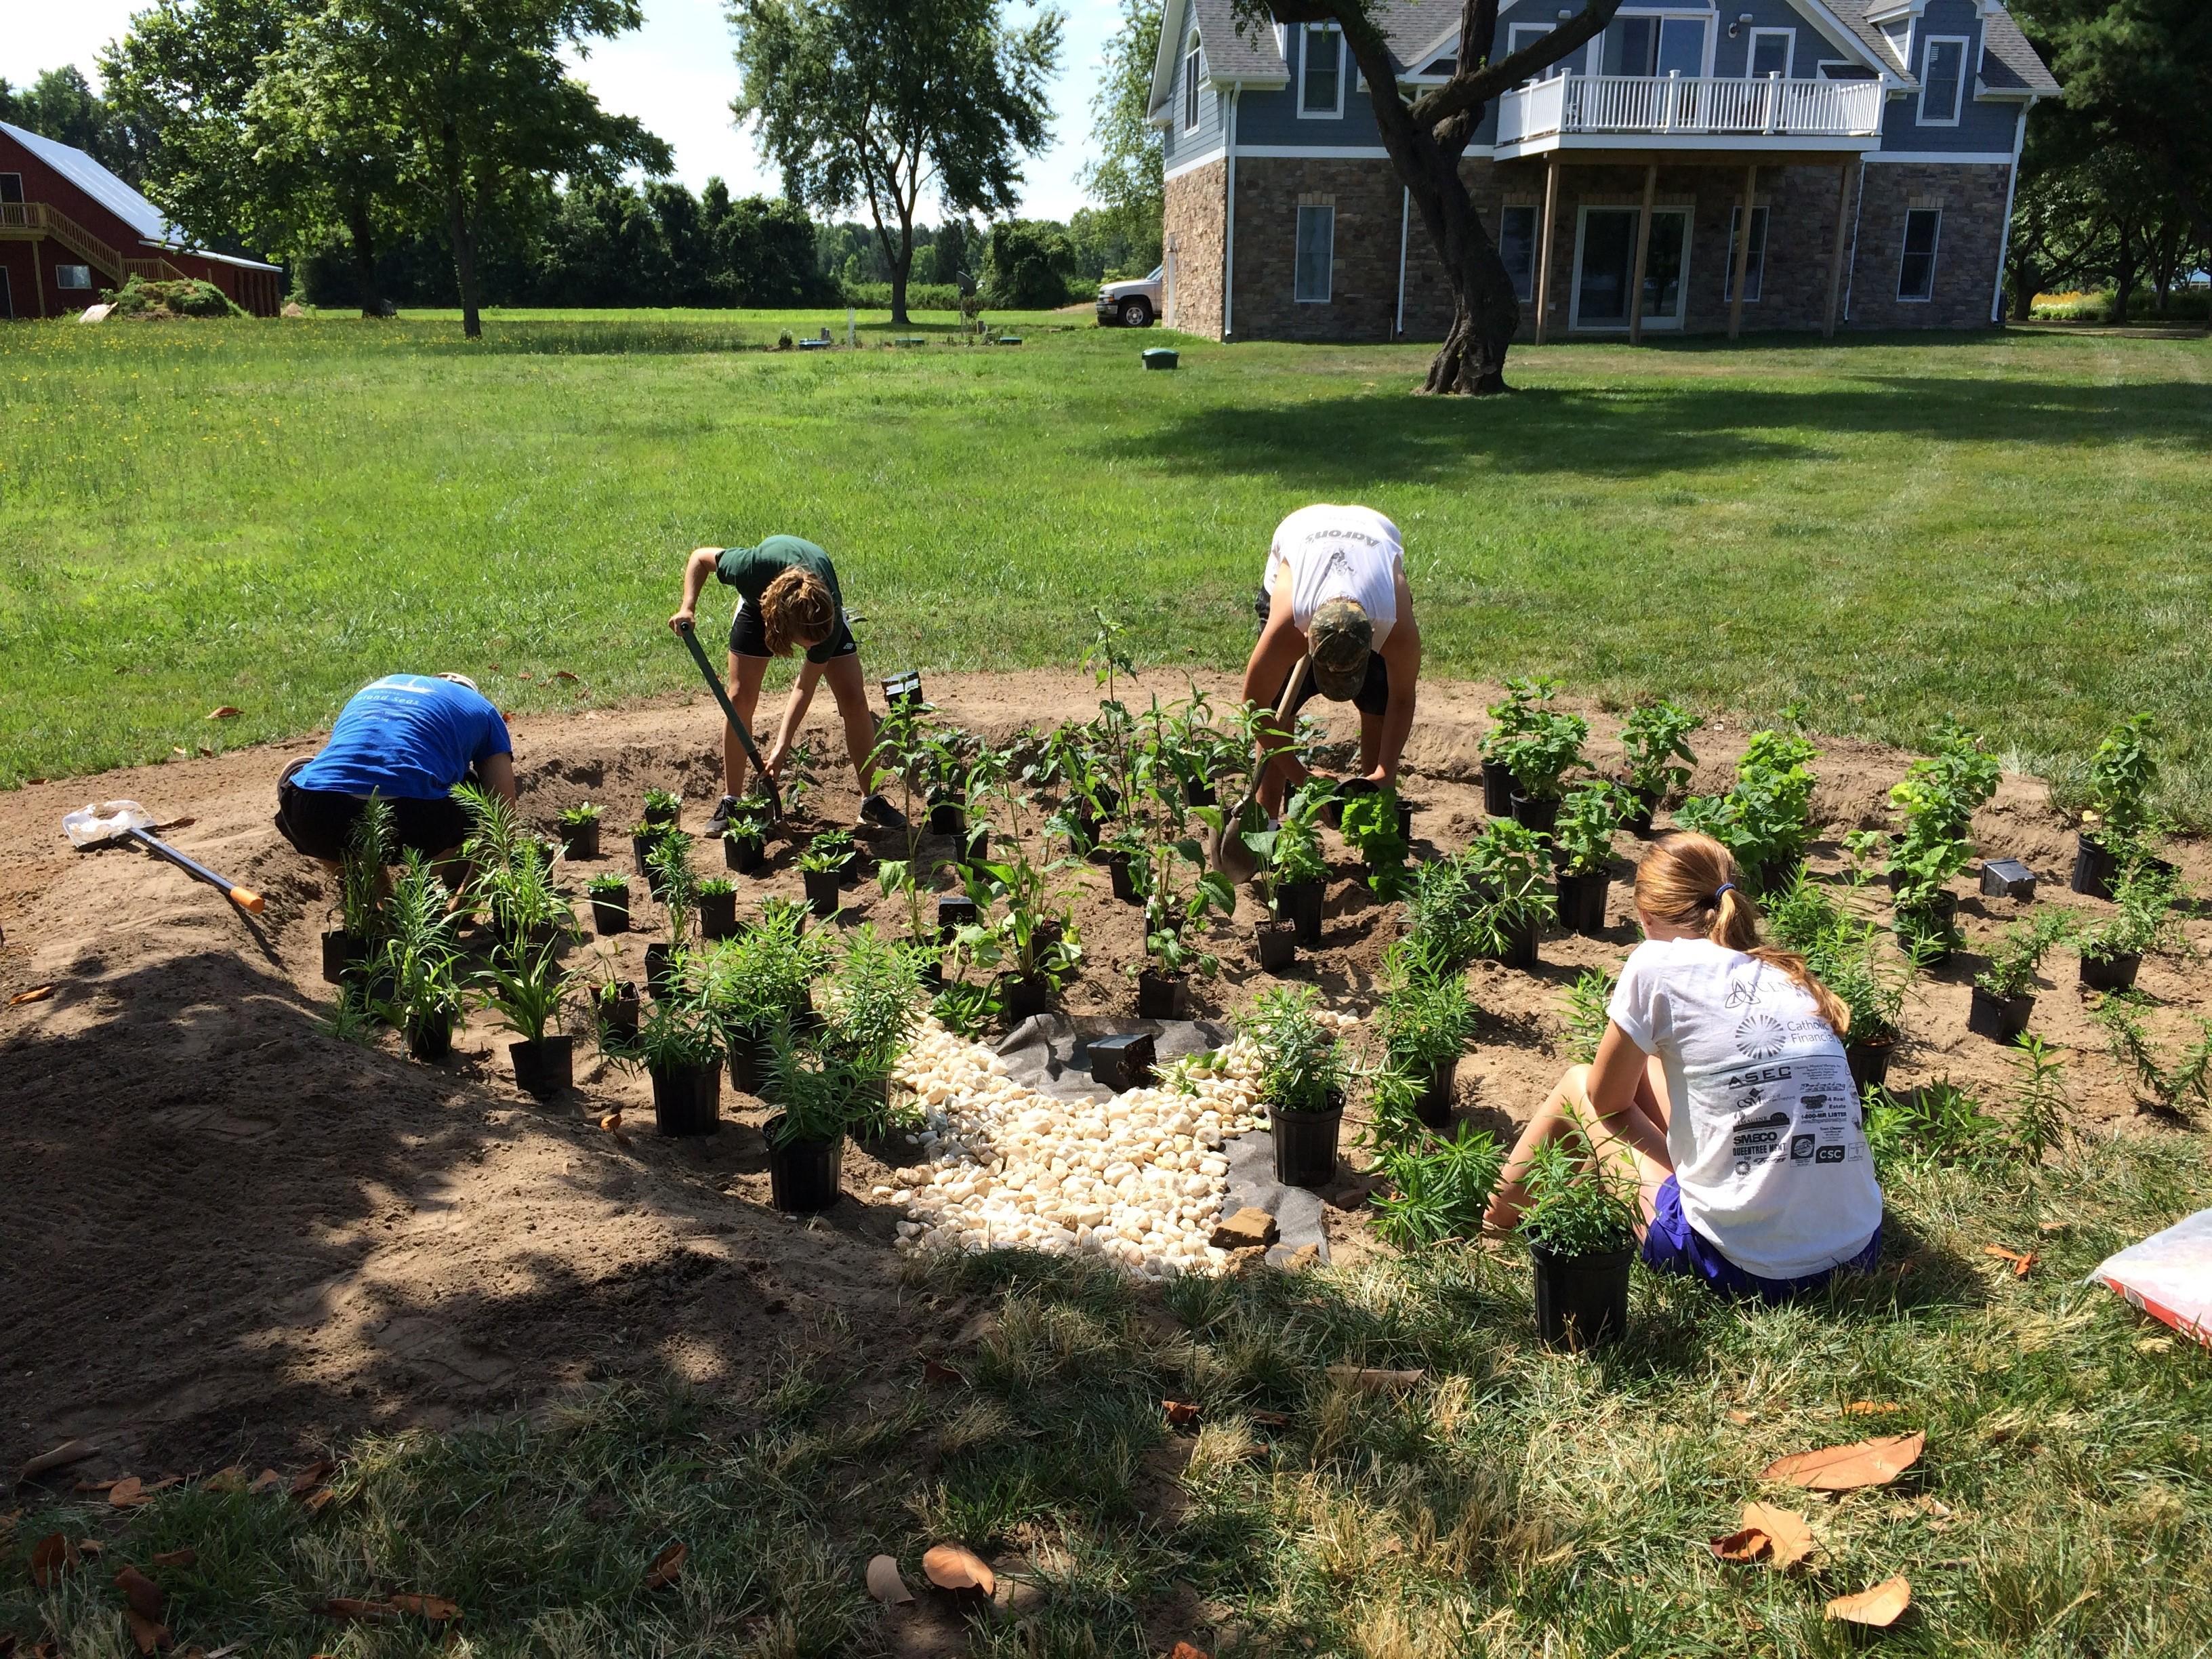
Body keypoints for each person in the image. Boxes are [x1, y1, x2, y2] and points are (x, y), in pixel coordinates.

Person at [1483, 832, 1885, 1303]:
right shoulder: (1787, 973)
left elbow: (1606, 1102)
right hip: (1857, 1250)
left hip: (1741, 1267)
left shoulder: (1656, 962)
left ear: (1645, 916)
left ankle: (1494, 1224)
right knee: (1664, 1061)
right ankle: (1698, 1180)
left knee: (1580, 1085)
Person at [668, 535, 903, 834]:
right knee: (740, 697)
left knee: (854, 699)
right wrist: (688, 607)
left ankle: (871, 801)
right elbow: (700, 558)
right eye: (808, 644)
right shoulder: (751, 568)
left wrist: (780, 749)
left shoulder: (825, 620)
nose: (812, 650)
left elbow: (804, 687)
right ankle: (733, 802)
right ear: (785, 628)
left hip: (816, 605)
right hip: (760, 603)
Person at [1240, 503, 1422, 814]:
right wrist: (1302, 778)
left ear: (1372, 646)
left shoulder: (1395, 626)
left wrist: (1385, 772)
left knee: (1381, 699)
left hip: (1373, 529)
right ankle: (1266, 820)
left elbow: (1402, 699)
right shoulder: (1287, 626)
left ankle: (1373, 811)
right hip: (1303, 531)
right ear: (1305, 641)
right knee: (1279, 702)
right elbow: (1256, 707)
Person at [274, 673, 514, 869]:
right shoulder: (482, 710)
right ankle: (424, 893)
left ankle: (370, 906)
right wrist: (460, 906)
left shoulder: (373, 689)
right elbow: (504, 823)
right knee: (471, 789)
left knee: (301, 769)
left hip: (314, 816)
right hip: (419, 822)